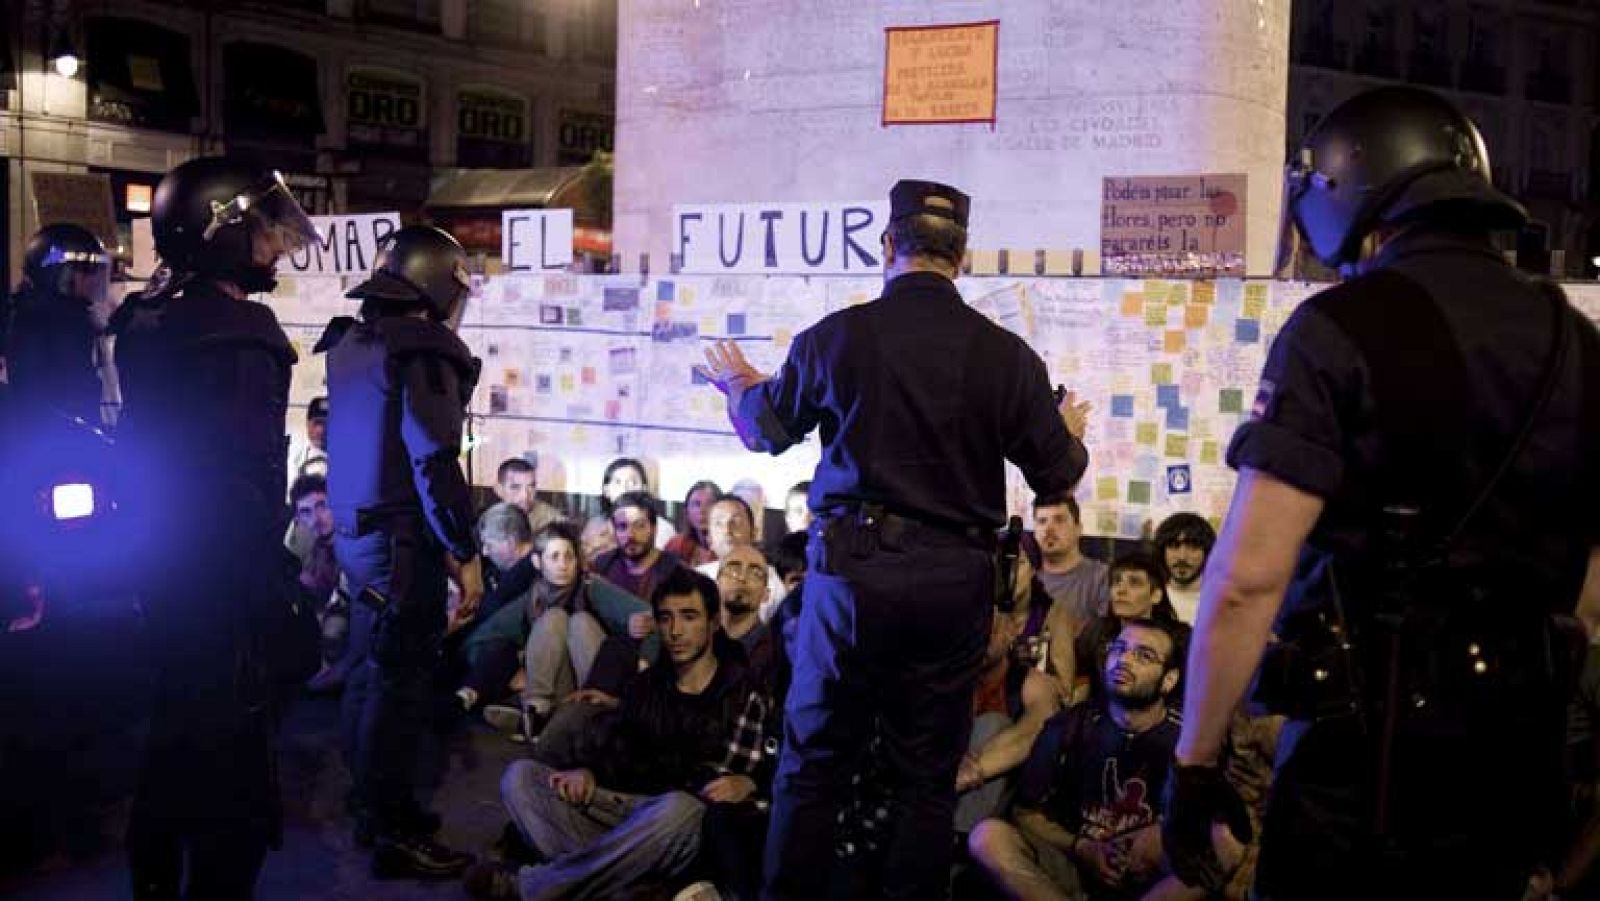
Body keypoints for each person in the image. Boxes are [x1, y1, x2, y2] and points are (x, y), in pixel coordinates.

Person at [1166, 85, 1600, 900]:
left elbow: (1246, 580)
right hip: (1514, 767)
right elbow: (1589, 592)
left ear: (1347, 190)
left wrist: (1193, 762)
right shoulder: (1577, 344)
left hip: (1363, 770)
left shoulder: (1341, 329)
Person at [698, 178, 1091, 899]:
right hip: (954, 585)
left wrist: (741, 387)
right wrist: (1070, 432)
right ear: (962, 257)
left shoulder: (838, 337)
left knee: (813, 764)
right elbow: (1055, 474)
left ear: (887, 247)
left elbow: (765, 429)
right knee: (925, 778)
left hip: (851, 575)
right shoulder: (1008, 356)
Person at [111, 157, 319, 899]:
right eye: (261, 226)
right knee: (234, 798)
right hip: (224, 591)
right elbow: (244, 482)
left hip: (160, 576)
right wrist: (271, 590)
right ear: (219, 228)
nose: (272, 241)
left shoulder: (147, 319)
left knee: (167, 765)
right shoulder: (242, 331)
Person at [320, 224, 484, 879]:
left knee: (370, 674)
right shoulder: (421, 348)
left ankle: (374, 808)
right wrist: (464, 549)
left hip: (362, 539)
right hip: (401, 542)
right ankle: (389, 829)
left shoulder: (358, 343)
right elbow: (435, 460)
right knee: (398, 686)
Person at [464, 568, 776, 900]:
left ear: (713, 623)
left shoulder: (743, 691)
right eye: (666, 618)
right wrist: (589, 771)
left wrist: (751, 783)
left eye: (689, 617)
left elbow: (771, 775)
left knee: (680, 809)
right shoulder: (649, 685)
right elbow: (618, 749)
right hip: (630, 819)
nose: (675, 631)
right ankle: (616, 884)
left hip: (683, 826)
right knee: (521, 778)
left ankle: (534, 887)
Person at [969, 618, 1193, 901]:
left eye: (1144, 656)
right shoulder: (1069, 726)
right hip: (1074, 869)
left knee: (1225, 847)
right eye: (1119, 648)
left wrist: (1159, 839)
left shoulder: (1188, 739)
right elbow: (1025, 814)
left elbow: (1210, 828)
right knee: (987, 837)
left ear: (1169, 680)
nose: (1124, 660)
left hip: (1150, 878)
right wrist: (1081, 848)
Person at [1151, 512, 1214, 624]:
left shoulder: (1220, 603)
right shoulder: (1148, 599)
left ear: (1207, 552)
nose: (1182, 557)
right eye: (1174, 546)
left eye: (1193, 547)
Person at [493, 456, 567, 534]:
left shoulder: (553, 519)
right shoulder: (489, 518)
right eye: (515, 487)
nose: (525, 496)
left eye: (531, 486)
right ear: (499, 490)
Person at [665, 479, 722, 566]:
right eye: (696, 504)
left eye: (710, 503)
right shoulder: (676, 545)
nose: (702, 510)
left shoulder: (730, 547)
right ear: (687, 511)